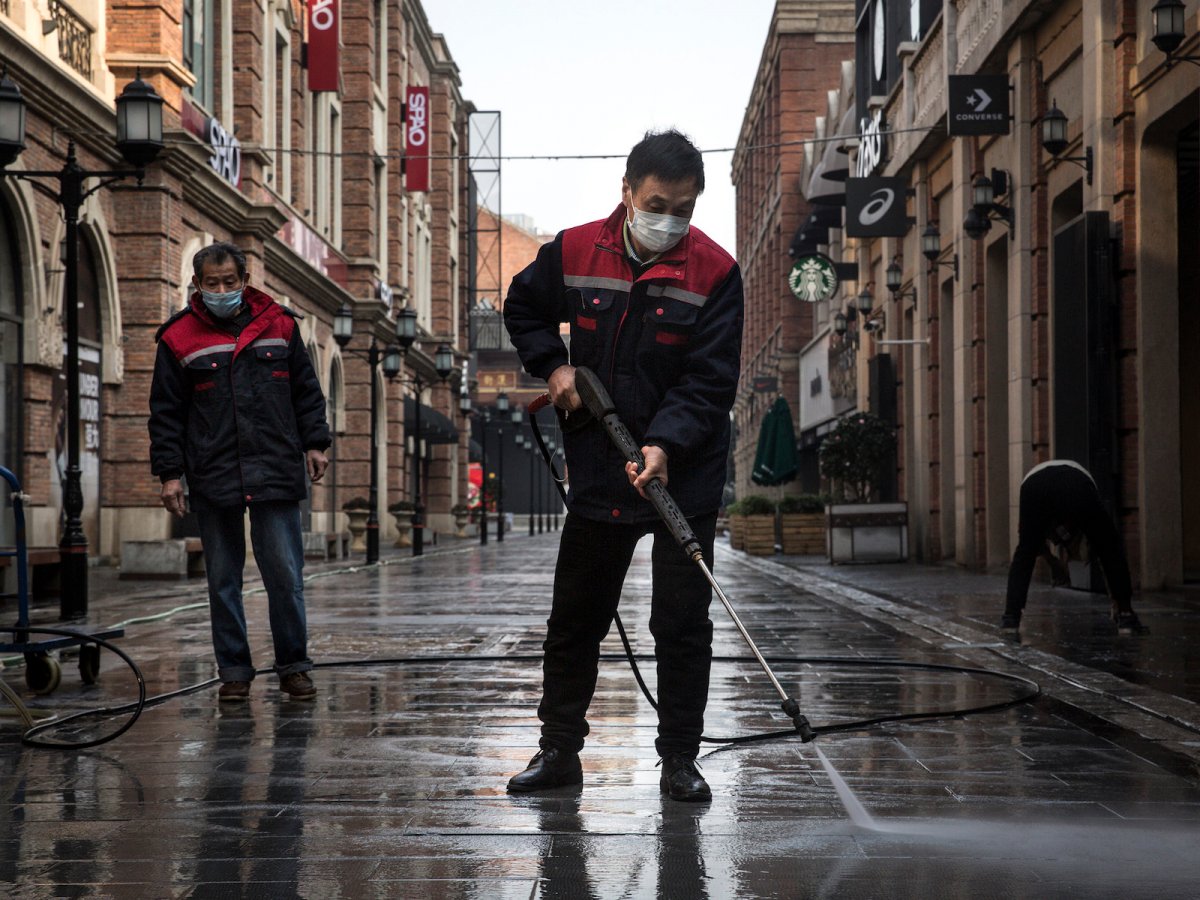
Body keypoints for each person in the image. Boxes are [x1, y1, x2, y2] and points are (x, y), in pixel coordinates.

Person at [503, 130, 743, 802]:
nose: (670, 220)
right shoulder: (576, 250)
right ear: (628, 192)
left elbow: (710, 379)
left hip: (683, 477)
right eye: (658, 203)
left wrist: (665, 445)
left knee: (681, 622)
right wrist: (554, 368)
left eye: (685, 209)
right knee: (575, 616)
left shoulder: (717, 273)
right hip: (600, 469)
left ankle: (679, 760)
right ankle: (559, 752)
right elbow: (521, 309)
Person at [149, 242, 332, 701]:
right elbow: (166, 414)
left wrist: (315, 443)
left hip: (273, 469)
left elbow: (307, 394)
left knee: (285, 577)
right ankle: (233, 671)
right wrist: (171, 474)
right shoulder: (178, 338)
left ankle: (293, 666)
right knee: (223, 580)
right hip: (214, 474)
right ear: (197, 285)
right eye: (212, 284)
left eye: (230, 282)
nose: (222, 290)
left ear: (245, 280)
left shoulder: (280, 325)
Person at [1001, 459, 1145, 634]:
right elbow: (1107, 551)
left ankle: (1011, 618)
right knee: (1109, 548)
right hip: (1077, 484)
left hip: (1035, 485)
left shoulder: (1051, 519)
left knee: (1024, 553)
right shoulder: (1082, 500)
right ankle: (1125, 613)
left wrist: (1052, 562)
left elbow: (1032, 547)